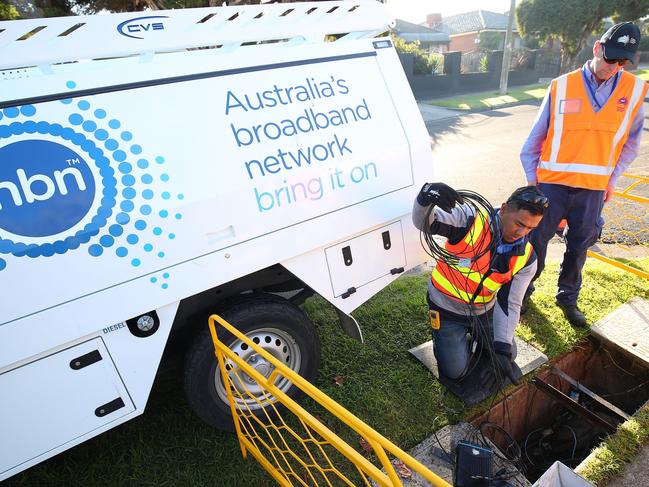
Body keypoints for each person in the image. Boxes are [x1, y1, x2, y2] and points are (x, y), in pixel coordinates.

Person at [520, 22, 647, 327]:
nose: (612, 67)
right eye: (609, 58)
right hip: (551, 185)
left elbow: (631, 144)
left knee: (579, 246)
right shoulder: (561, 85)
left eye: (621, 62)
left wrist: (611, 179)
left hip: (592, 189)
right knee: (536, 241)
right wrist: (532, 179)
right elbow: (534, 139)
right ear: (596, 49)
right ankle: (522, 293)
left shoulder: (635, 91)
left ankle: (567, 298)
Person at [413, 183, 548, 403]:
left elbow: (510, 303)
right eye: (519, 224)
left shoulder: (527, 258)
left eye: (531, 229)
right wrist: (425, 198)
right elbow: (423, 222)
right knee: (455, 372)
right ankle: (451, 341)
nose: (522, 233)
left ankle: (478, 342)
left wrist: (502, 349)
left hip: (484, 311)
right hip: (445, 309)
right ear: (503, 209)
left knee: (508, 354)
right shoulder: (470, 220)